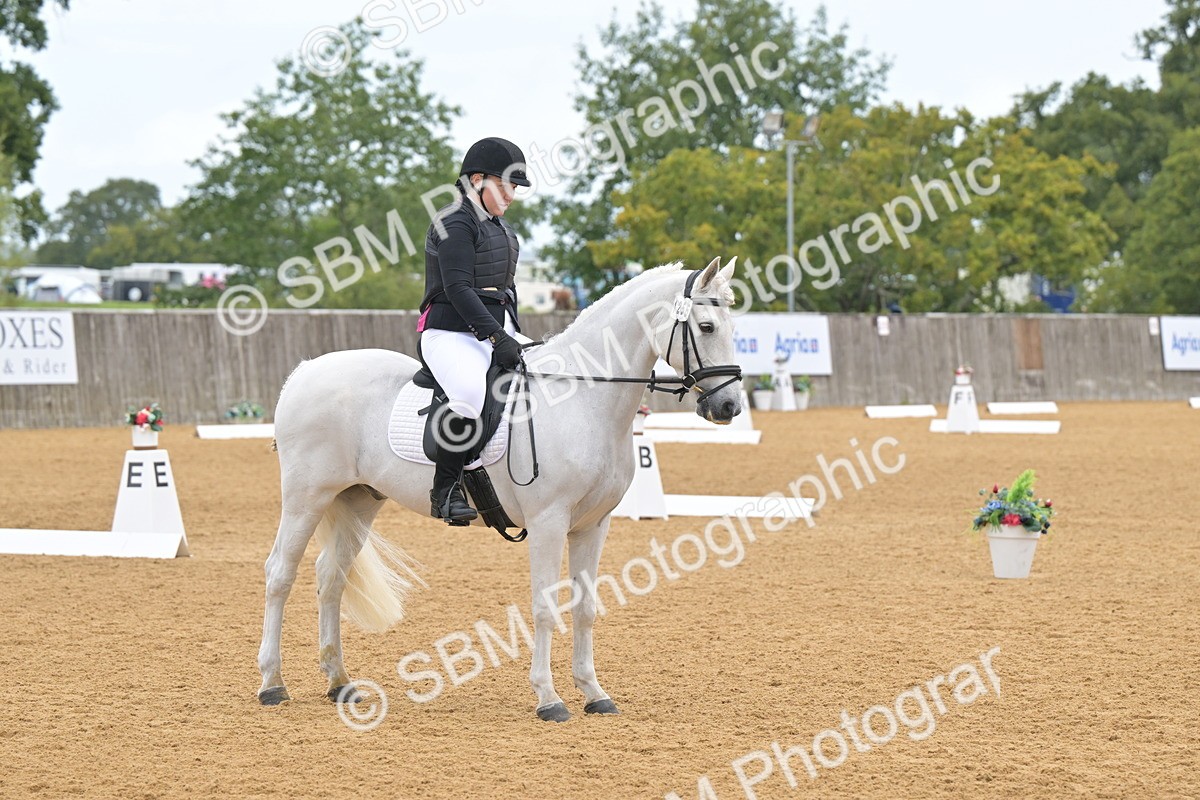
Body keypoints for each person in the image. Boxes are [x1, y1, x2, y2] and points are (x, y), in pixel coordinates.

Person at [417, 137, 529, 524]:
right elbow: (459, 288)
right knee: (467, 393)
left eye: (515, 187)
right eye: (507, 184)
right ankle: (445, 492)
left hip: (492, 330)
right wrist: (497, 339)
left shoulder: (504, 230)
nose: (512, 194)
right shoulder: (453, 221)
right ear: (478, 180)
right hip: (450, 334)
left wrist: (515, 334)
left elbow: (505, 293)